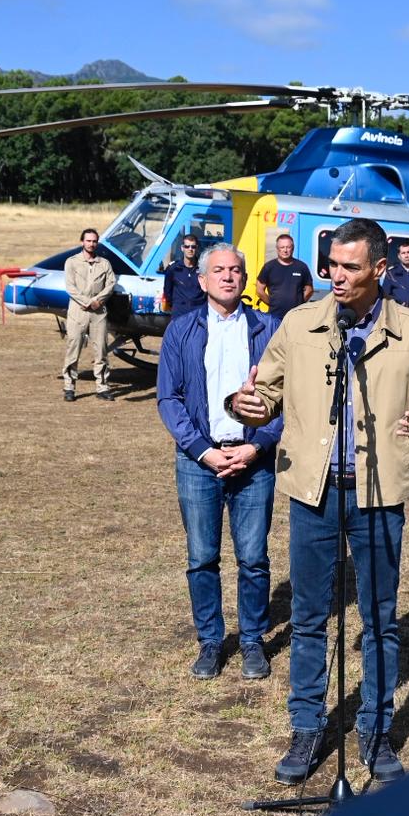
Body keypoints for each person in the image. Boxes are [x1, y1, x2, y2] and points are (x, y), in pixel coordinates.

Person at [228, 218, 409, 786]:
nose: (337, 276)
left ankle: (376, 732)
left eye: (350, 267)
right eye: (331, 264)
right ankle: (307, 727)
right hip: (314, 492)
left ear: (380, 269)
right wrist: (244, 405)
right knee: (309, 618)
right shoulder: (300, 324)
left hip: (380, 494)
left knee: (379, 620)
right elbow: (264, 393)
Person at [157, 244, 283, 683]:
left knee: (253, 559)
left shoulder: (269, 328)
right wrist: (202, 451)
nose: (228, 276)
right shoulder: (181, 330)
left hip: (253, 460)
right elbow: (169, 398)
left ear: (245, 279)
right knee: (202, 558)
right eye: (219, 270)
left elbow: (287, 396)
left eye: (235, 270)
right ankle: (210, 641)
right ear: (202, 280)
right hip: (200, 460)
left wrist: (257, 446)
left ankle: (252, 641)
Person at [62, 228, 116, 402]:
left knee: (101, 350)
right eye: (88, 241)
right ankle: (69, 387)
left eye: (94, 241)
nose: (91, 244)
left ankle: (102, 387)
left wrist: (98, 301)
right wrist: (87, 302)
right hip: (78, 311)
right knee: (73, 348)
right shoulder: (72, 262)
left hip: (98, 312)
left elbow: (111, 284)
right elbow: (70, 287)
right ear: (82, 242)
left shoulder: (104, 263)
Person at [255, 233, 314, 319]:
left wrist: (299, 304)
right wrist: (272, 303)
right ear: (277, 249)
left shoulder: (302, 267)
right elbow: (259, 290)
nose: (285, 250)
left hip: (296, 316)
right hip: (275, 316)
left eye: (288, 247)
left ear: (293, 248)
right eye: (282, 247)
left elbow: (309, 290)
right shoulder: (269, 267)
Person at [162, 234, 206, 319]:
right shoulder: (173, 269)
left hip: (198, 314)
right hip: (179, 314)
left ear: (196, 248)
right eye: (187, 246)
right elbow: (167, 291)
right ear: (182, 248)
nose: (190, 249)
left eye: (193, 247)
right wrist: (176, 305)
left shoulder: (203, 268)